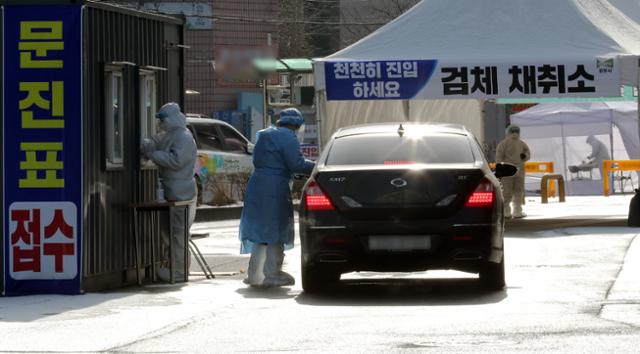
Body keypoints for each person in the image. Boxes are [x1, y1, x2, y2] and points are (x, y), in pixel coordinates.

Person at [239, 108, 315, 287]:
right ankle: (272, 272)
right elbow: (296, 164)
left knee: (260, 231)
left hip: (257, 184)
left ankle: (254, 274)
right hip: (274, 187)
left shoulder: (265, 134)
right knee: (275, 228)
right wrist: (318, 166)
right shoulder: (288, 137)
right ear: (296, 124)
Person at [141, 102, 197, 282]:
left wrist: (152, 154)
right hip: (172, 189)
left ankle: (179, 270)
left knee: (178, 233)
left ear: (171, 119)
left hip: (182, 190)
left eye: (162, 119)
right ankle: (175, 267)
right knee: (169, 233)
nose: (160, 123)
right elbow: (155, 141)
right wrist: (147, 144)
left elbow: (175, 161)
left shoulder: (184, 137)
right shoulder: (170, 134)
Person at [496, 124, 531, 219]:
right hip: (519, 171)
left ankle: (506, 212)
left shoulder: (503, 143)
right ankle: (517, 211)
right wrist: (524, 157)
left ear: (507, 132)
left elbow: (498, 158)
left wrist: (499, 170)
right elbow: (528, 153)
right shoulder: (522, 143)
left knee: (506, 192)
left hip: (507, 171)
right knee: (518, 191)